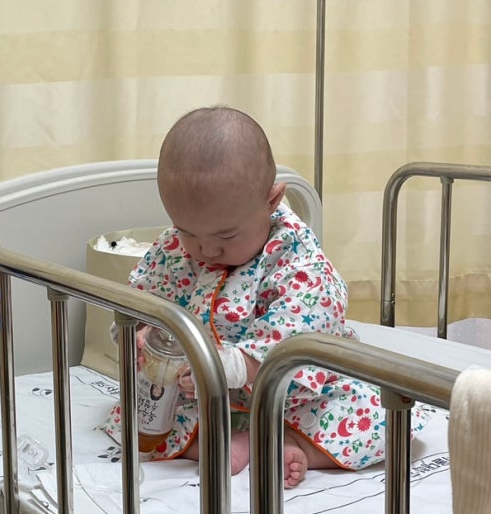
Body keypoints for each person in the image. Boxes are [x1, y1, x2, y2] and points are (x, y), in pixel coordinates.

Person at [103, 105, 429, 487]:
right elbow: (144, 297)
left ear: (272, 201)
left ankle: (290, 442)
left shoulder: (297, 256)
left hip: (291, 396)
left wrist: (229, 365)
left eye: (226, 235)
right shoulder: (174, 247)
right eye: (188, 231)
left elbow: (303, 330)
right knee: (138, 420)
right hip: (202, 399)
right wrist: (138, 332)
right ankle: (222, 439)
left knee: (382, 419)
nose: (206, 249)